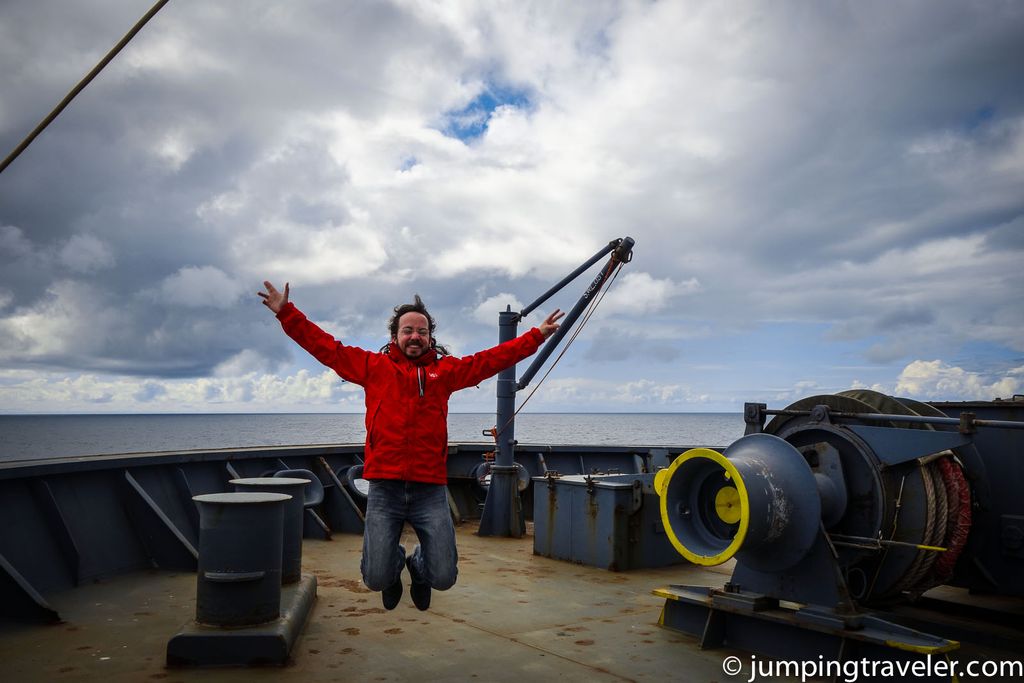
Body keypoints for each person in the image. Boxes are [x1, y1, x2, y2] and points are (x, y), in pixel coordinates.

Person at [259, 281, 563, 611]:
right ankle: (392, 572)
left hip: (429, 488)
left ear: (431, 337)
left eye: (421, 331)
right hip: (385, 488)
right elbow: (326, 347)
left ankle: (417, 568)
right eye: (408, 330)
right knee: (374, 578)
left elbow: (491, 359)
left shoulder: (445, 372)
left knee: (444, 577)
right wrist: (286, 313)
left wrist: (536, 336)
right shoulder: (372, 367)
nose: (415, 336)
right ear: (395, 336)